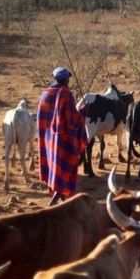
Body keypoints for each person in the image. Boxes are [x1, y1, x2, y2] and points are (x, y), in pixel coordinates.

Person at [37, 67, 87, 206]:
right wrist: (83, 112)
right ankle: (55, 201)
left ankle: (63, 200)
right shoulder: (66, 94)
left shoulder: (45, 94)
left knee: (54, 168)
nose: (68, 81)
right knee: (65, 168)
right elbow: (73, 120)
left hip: (48, 141)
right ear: (65, 80)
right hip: (63, 141)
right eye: (68, 79)